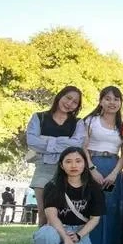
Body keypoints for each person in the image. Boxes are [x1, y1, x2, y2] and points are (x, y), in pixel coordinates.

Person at [31, 147, 105, 244]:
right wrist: (65, 237)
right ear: (61, 165)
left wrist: (78, 235)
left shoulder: (94, 188)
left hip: (80, 231)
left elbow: (95, 219)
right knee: (44, 234)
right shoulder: (52, 186)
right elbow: (51, 216)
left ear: (85, 164)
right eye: (68, 161)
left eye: (78, 161)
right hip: (56, 228)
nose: (74, 165)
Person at [79, 86, 123, 244]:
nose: (112, 102)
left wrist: (114, 173)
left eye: (116, 99)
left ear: (120, 102)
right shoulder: (90, 121)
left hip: (113, 169)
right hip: (92, 166)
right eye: (107, 98)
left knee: (110, 211)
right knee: (91, 209)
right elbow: (83, 147)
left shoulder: (122, 125)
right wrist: (92, 169)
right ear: (100, 101)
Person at [26, 86, 86, 226]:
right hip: (43, 168)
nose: (69, 103)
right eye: (68, 98)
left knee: (62, 213)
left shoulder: (78, 122)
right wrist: (64, 142)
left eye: (75, 102)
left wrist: (46, 140)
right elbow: (32, 142)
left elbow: (76, 145)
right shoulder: (39, 117)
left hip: (67, 171)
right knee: (44, 213)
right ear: (60, 96)